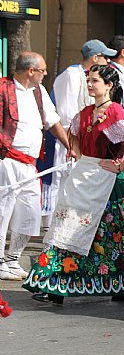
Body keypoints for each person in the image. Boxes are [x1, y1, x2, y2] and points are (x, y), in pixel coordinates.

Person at [23, 64, 124, 304]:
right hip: (86, 180)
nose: (89, 84)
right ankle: (54, 283)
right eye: (89, 80)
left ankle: (122, 284)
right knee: (68, 229)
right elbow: (73, 140)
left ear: (109, 86)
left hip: (110, 183)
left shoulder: (115, 111)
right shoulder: (84, 113)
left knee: (117, 234)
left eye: (95, 81)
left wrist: (120, 165)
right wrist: (80, 157)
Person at [0, 52, 72, 281]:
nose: (45, 74)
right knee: (2, 212)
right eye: (42, 70)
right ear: (30, 71)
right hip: (7, 160)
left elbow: (52, 121)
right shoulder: (4, 89)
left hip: (31, 164)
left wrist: (70, 146)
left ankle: (12, 259)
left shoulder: (39, 92)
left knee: (29, 213)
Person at [41, 40, 116, 230]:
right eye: (105, 57)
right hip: (66, 139)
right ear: (95, 58)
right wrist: (73, 142)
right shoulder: (71, 75)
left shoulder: (86, 77)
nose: (108, 61)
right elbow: (66, 113)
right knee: (62, 182)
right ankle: (54, 228)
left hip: (81, 139)